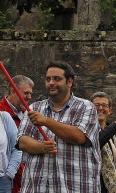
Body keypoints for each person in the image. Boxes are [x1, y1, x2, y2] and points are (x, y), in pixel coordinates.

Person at [17, 60, 100, 193]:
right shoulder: (34, 108)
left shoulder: (86, 107)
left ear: (70, 82)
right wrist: (42, 147)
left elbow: (78, 136)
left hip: (74, 187)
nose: (51, 83)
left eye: (57, 79)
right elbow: (22, 141)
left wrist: (45, 121)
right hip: (38, 187)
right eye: (48, 79)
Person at [0, 76, 33, 193]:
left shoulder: (28, 114)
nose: (29, 97)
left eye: (30, 93)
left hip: (25, 175)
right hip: (7, 175)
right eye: (26, 93)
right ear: (13, 91)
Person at [91, 92, 116, 193]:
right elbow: (94, 144)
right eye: (96, 105)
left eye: (104, 105)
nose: (100, 108)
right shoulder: (86, 130)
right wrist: (115, 127)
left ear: (110, 110)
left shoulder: (112, 138)